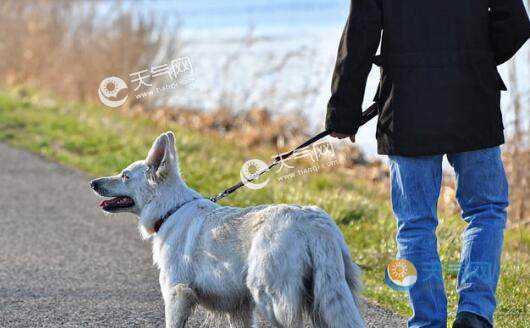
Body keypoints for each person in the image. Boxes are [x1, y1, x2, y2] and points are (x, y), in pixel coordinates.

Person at [326, 1, 530, 327]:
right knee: (486, 210)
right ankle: (475, 314)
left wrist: (343, 113)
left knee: (415, 222)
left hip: (408, 108)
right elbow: (516, 24)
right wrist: (475, 57)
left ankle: (427, 321)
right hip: (473, 99)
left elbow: (359, 38)